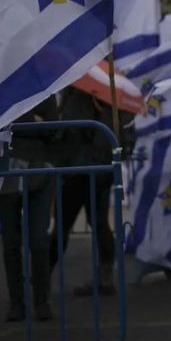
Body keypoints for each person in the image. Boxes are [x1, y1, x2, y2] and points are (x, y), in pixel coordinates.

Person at [50, 86, 132, 297]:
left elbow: (66, 130)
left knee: (63, 227)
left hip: (78, 172)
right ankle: (105, 277)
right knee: (98, 225)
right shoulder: (113, 98)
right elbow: (126, 140)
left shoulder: (78, 96)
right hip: (98, 173)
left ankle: (40, 278)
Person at [0, 95, 59, 322]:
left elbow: (53, 127)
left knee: (38, 240)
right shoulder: (2, 88)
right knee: (11, 241)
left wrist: (17, 124)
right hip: (7, 173)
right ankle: (17, 303)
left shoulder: (47, 88)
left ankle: (41, 301)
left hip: (40, 172)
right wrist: (33, 121)